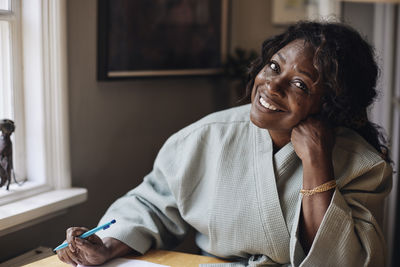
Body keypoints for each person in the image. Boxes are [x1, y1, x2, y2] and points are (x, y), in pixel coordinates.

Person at [57, 21, 393, 267]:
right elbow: (152, 205)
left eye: (300, 85)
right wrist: (108, 244)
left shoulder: (363, 166)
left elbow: (347, 262)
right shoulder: (207, 135)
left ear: (331, 103)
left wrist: (319, 163)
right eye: (273, 66)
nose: (271, 86)